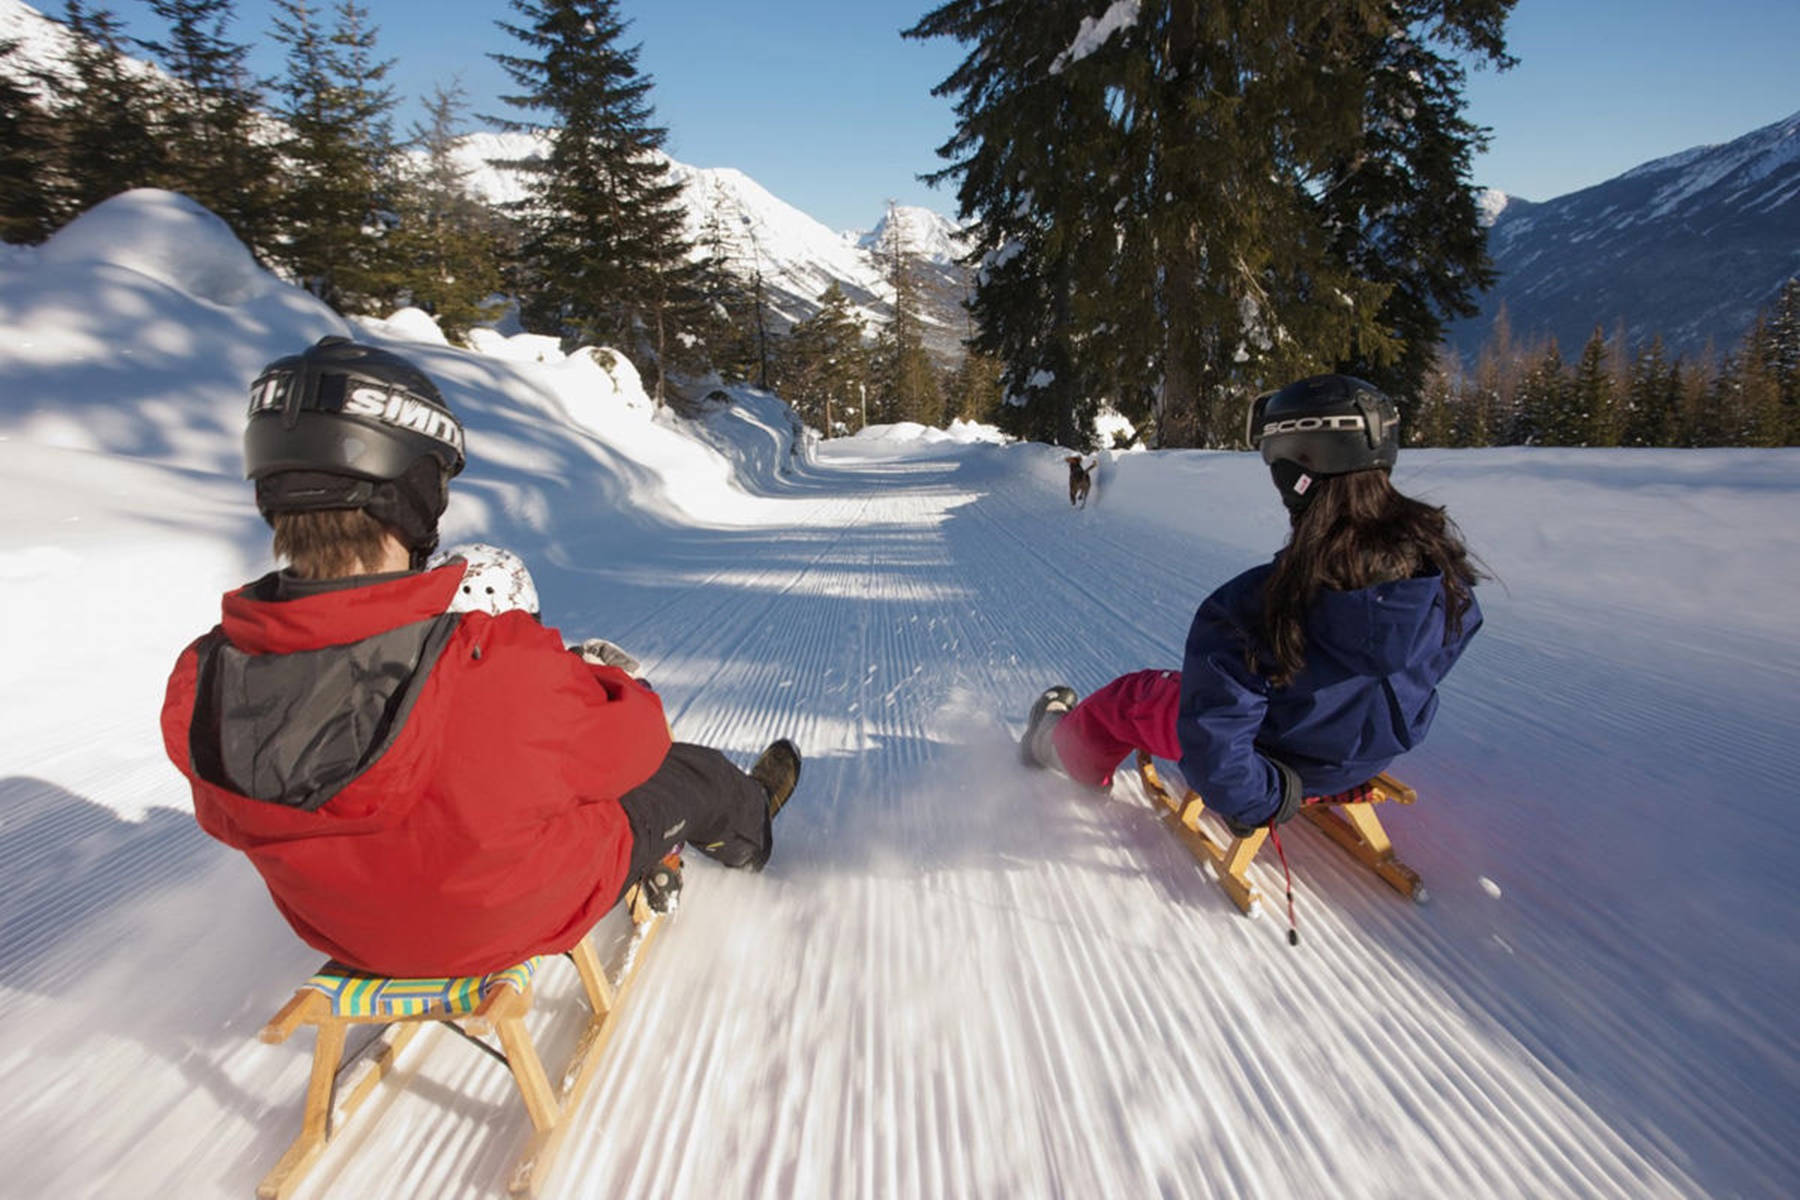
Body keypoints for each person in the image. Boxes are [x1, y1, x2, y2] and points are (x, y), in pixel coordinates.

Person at [162, 336, 801, 979]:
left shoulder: (208, 676)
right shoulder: (481, 656)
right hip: (505, 917)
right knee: (687, 775)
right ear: (413, 491)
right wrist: (602, 679)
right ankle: (751, 832)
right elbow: (634, 747)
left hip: (344, 931)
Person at [1020, 374, 1482, 837]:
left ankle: (1051, 744)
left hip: (1275, 769)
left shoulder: (1255, 606)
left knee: (1131, 698)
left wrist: (1259, 798)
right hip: (1363, 757)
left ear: (1293, 473)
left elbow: (1214, 749)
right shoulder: (1442, 580)